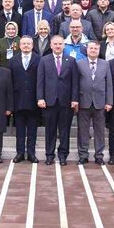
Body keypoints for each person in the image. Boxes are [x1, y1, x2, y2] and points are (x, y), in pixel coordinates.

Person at [37, 35, 79, 166]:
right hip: (49, 101)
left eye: (60, 44)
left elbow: (75, 82)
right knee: (50, 130)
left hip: (66, 102)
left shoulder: (71, 61)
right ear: (51, 45)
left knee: (64, 130)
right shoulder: (44, 60)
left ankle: (63, 156)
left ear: (64, 46)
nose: (58, 46)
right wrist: (40, 97)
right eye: (55, 44)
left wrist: (74, 99)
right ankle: (49, 155)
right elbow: (40, 81)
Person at [75, 41, 113, 165]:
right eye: (91, 48)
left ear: (99, 50)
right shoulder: (79, 64)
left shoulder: (105, 64)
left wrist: (109, 102)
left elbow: (109, 84)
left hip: (100, 102)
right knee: (83, 130)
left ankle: (99, 155)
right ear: (87, 50)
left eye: (95, 49)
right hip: (83, 102)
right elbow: (75, 84)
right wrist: (75, 101)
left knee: (100, 131)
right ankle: (83, 155)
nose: (93, 50)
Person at [8, 36, 40, 163]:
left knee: (32, 130)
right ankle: (20, 153)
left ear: (32, 45)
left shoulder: (39, 59)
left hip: (34, 100)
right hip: (18, 100)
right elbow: (9, 82)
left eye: (28, 43)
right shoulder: (12, 60)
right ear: (19, 45)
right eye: (23, 44)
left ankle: (31, 153)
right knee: (20, 130)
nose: (26, 46)